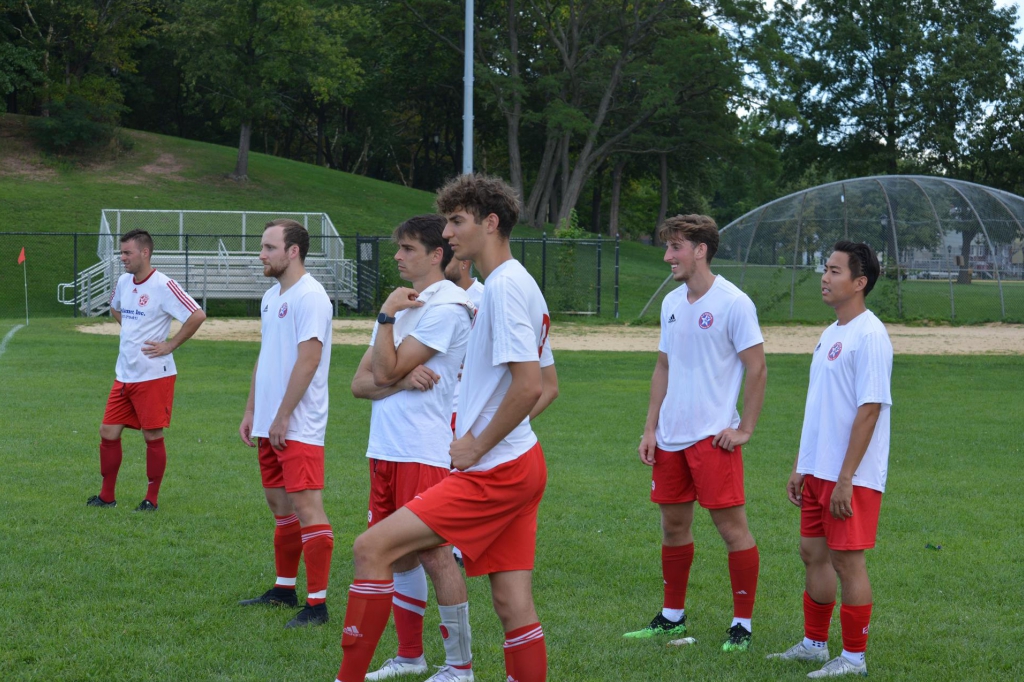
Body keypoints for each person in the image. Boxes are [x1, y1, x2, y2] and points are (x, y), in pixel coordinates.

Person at [333, 174, 557, 682]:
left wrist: (478, 443)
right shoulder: (518, 283)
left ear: (490, 223)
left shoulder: (503, 289)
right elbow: (548, 384)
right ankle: (431, 660)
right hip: (520, 460)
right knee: (512, 602)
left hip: (497, 469)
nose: (449, 232)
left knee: (371, 547)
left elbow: (530, 386)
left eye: (457, 221)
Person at [626, 214, 767, 653]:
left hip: (712, 438)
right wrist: (650, 428)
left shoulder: (734, 303)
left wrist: (744, 428)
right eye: (668, 247)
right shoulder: (671, 302)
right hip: (670, 438)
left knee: (732, 530)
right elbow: (663, 367)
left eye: (676, 248)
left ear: (700, 250)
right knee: (673, 526)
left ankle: (741, 625)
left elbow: (757, 368)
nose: (667, 256)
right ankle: (672, 617)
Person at [350, 215, 476, 682]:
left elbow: (380, 373)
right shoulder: (403, 304)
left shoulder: (448, 307)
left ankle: (460, 667)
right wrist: (402, 379)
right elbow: (359, 384)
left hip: (423, 451)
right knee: (398, 555)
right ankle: (410, 657)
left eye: (407, 248)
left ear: (436, 254)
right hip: (385, 448)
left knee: (435, 555)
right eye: (398, 248)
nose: (398, 256)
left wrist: (386, 318)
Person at [767, 241, 892, 678]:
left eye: (835, 271)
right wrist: (802, 465)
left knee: (847, 562)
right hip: (819, 471)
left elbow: (869, 410)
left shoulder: (870, 335)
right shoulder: (830, 333)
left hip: (850, 477)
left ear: (860, 282)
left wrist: (845, 477)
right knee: (812, 553)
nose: (825, 277)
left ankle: (854, 659)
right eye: (826, 268)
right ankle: (814, 645)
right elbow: (820, 408)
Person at [237, 219, 335, 629]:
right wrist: (252, 411)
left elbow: (309, 361)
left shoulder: (311, 296)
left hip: (298, 425)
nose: (261, 254)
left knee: (307, 507)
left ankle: (317, 604)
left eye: (268, 247)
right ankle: (283, 588)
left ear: (293, 251)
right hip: (270, 423)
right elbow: (267, 356)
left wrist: (283, 415)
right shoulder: (271, 296)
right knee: (279, 506)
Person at [89, 229, 206, 511]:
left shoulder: (164, 285)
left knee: (152, 436)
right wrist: (132, 329)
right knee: (108, 432)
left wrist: (171, 344)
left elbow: (197, 314)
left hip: (154, 375)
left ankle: (151, 499)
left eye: (127, 252)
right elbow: (115, 307)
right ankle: (107, 496)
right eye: (121, 252)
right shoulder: (123, 281)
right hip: (124, 374)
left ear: (145, 253)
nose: (122, 257)